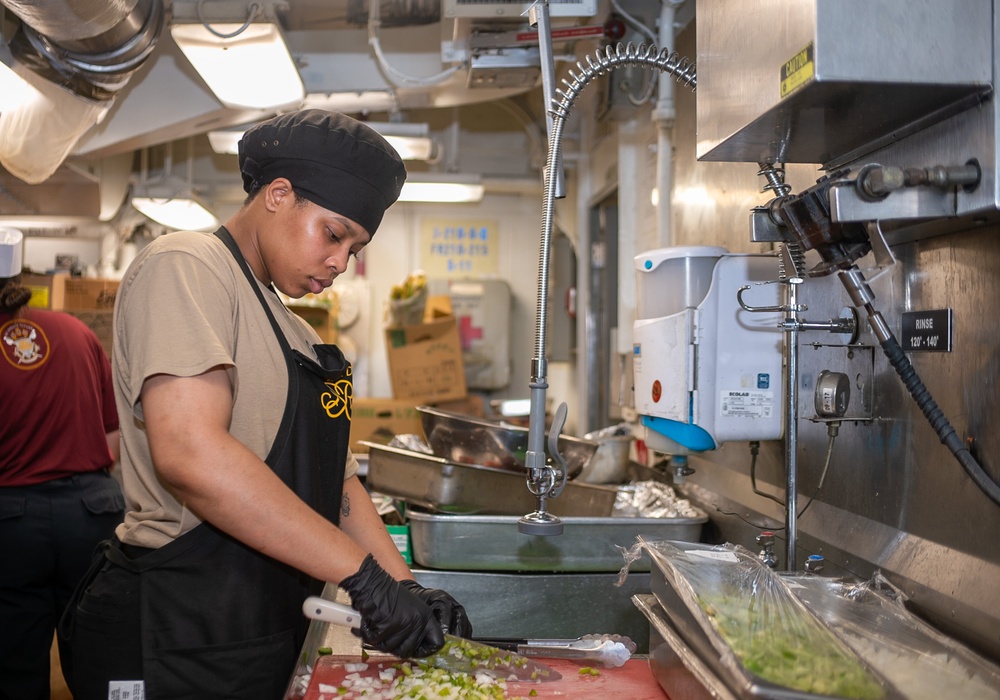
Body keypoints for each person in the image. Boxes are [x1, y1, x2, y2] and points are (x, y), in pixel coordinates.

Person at [60, 110, 473, 699]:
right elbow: (191, 455)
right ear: (278, 195)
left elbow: (338, 486)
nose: (340, 263)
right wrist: (359, 576)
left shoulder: (297, 334)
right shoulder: (189, 266)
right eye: (334, 235)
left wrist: (406, 589)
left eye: (355, 249)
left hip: (257, 626)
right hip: (177, 622)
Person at [0, 228, 124, 700]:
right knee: (97, 650)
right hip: (92, 510)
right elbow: (111, 437)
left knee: (14, 660)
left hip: (12, 521)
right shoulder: (76, 331)